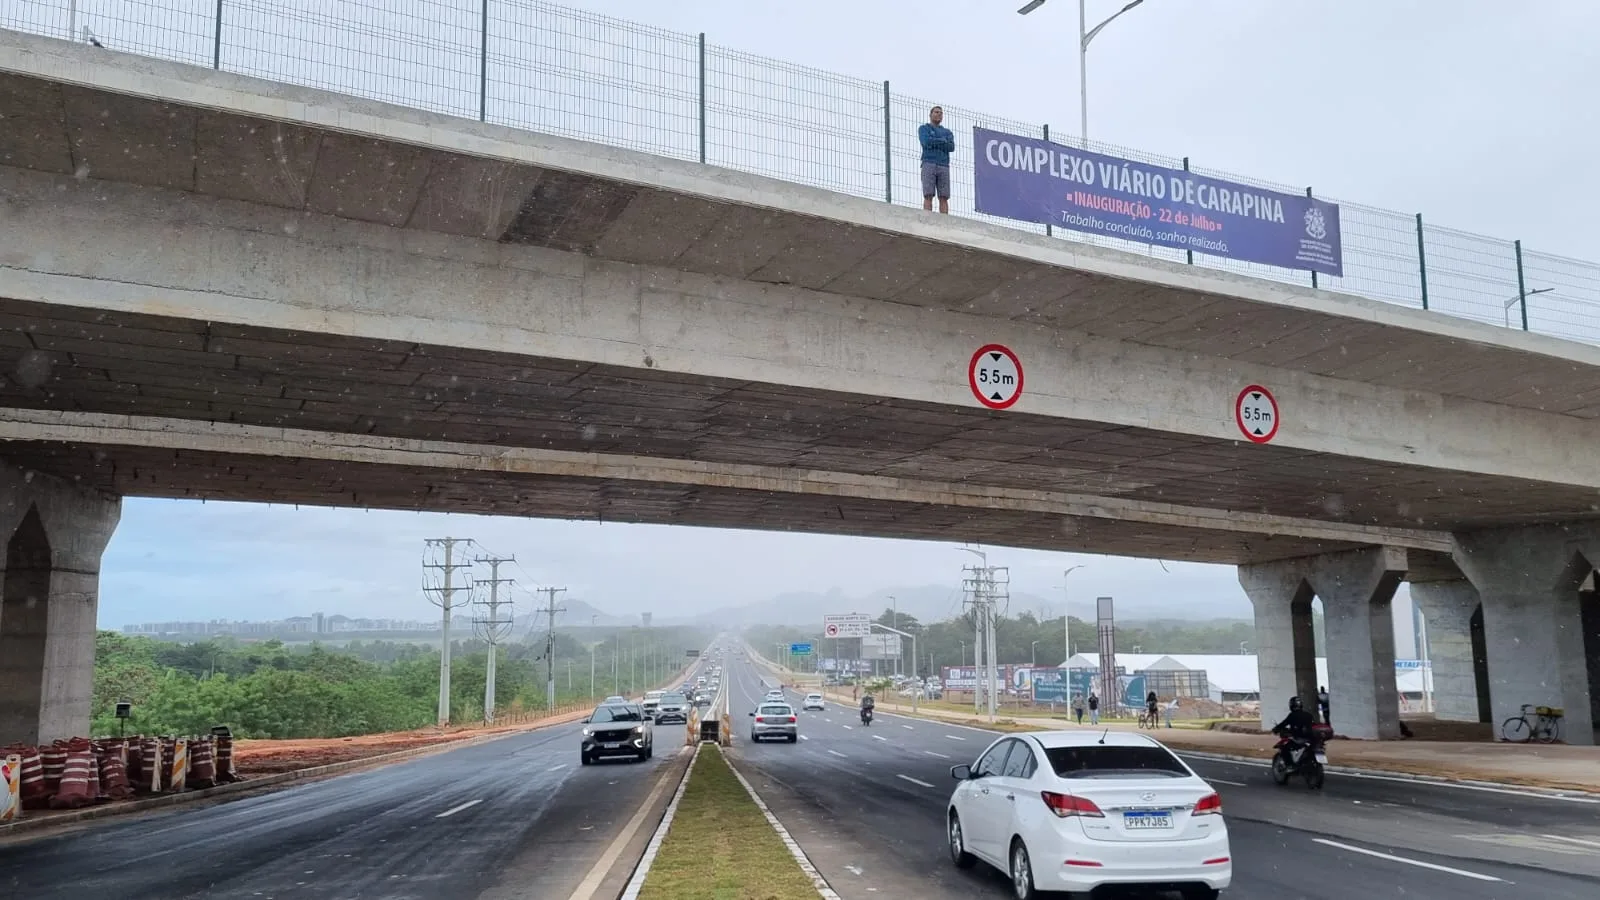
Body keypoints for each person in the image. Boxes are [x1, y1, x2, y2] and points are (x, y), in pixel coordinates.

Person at [918, 106, 955, 214]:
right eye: (936, 112)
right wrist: (942, 141)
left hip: (943, 165)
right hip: (928, 162)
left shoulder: (947, 132)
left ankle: (944, 219)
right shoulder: (924, 128)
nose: (939, 114)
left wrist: (934, 141)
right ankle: (927, 216)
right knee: (928, 194)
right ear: (930, 115)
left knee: (944, 196)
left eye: (941, 113)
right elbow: (926, 142)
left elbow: (951, 147)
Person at [1271, 696, 1317, 768]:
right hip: (1310, 739)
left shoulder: (1292, 715)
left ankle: (1290, 765)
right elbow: (1313, 725)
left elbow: (1284, 723)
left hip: (1298, 739)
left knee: (1284, 747)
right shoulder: (1309, 715)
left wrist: (1275, 729)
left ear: (1291, 705)